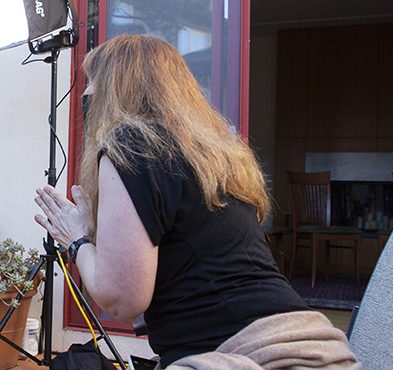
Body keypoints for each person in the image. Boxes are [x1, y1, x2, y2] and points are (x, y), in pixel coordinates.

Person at [34, 34, 360, 370]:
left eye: (92, 82)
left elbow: (122, 298)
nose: (85, 93)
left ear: (113, 89)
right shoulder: (211, 155)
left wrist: (77, 240)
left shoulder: (130, 145)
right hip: (312, 343)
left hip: (255, 356)